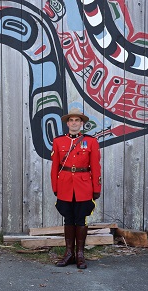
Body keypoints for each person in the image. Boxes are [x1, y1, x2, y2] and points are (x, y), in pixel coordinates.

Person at [50, 108, 101, 269]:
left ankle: (80, 254)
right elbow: (54, 167)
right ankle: (68, 253)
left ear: (82, 123)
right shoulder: (58, 141)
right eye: (71, 120)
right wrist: (55, 186)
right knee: (68, 218)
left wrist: (96, 187)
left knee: (81, 219)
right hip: (65, 184)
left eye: (77, 120)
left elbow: (95, 166)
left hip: (83, 185)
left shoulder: (91, 141)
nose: (74, 123)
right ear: (67, 123)